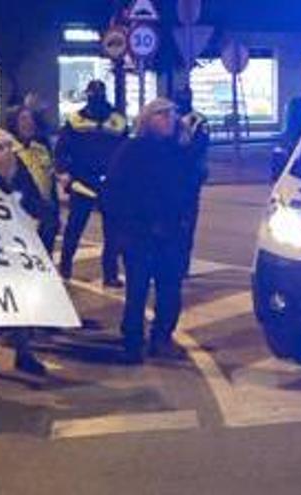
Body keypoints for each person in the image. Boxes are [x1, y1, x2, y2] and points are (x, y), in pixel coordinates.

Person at [103, 98, 200, 364]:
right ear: (148, 120)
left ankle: (162, 338)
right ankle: (132, 340)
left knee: (170, 289)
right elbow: (113, 192)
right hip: (140, 234)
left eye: (171, 116)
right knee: (137, 290)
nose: (168, 120)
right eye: (162, 116)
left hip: (170, 234)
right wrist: (125, 229)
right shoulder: (131, 150)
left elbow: (191, 184)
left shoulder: (178, 151)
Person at [0, 128, 51, 378]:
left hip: (20, 247)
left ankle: (24, 353)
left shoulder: (21, 175)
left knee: (22, 300)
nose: (8, 153)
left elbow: (37, 203)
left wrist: (41, 217)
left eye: (9, 147)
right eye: (1, 148)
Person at [55, 80, 128, 287]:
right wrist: (64, 173)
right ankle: (65, 266)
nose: (95, 97)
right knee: (75, 228)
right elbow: (61, 151)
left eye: (98, 94)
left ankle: (110, 274)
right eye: (93, 94)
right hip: (82, 181)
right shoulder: (75, 120)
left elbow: (125, 151)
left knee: (113, 232)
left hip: (110, 183)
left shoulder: (117, 120)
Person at [6, 105, 58, 254]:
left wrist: (54, 212)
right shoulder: (8, 150)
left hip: (46, 212)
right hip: (23, 213)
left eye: (30, 119)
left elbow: (50, 179)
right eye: (23, 119)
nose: (28, 123)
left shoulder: (41, 148)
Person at [174, 86, 211, 276]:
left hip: (189, 179)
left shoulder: (197, 120)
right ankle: (175, 264)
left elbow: (199, 146)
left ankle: (182, 266)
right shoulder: (170, 118)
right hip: (171, 179)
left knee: (186, 225)